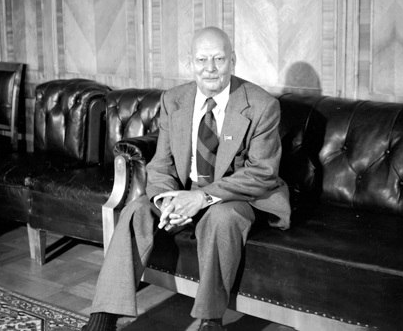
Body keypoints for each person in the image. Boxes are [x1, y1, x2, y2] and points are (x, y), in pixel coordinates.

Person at [83, 26, 290, 331]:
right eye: (202, 60)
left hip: (236, 196)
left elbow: (262, 173)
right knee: (136, 211)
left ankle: (210, 320)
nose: (210, 68)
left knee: (221, 218)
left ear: (233, 61)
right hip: (184, 191)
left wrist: (201, 198)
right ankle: (102, 318)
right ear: (190, 62)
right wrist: (167, 201)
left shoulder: (261, 105)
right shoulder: (174, 100)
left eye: (219, 59)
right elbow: (161, 164)